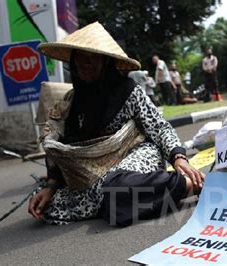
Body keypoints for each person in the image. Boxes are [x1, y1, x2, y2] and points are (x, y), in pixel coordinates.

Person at [30, 22, 205, 226]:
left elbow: (159, 127)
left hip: (136, 156)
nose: (86, 63)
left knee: (115, 188)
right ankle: (119, 200)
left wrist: (179, 159)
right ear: (73, 61)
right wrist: (51, 186)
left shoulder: (128, 91)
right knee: (52, 204)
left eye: (93, 57)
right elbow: (60, 150)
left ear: (105, 61)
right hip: (92, 177)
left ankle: (187, 184)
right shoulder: (70, 102)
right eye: (81, 57)